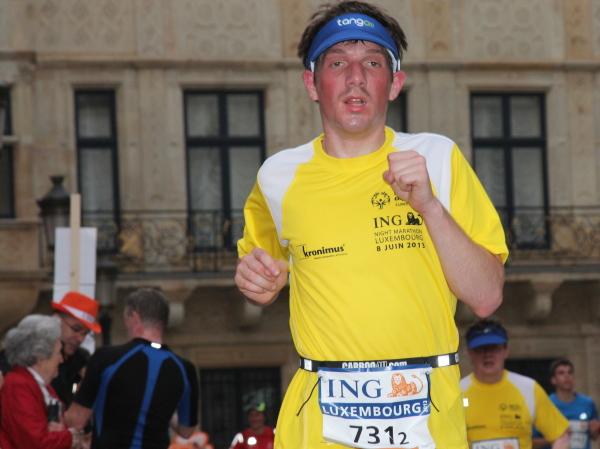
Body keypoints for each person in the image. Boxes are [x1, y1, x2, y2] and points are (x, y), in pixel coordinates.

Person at [234, 1, 508, 447]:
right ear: (311, 84)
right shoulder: (277, 176)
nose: (355, 77)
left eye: (373, 63)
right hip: (317, 422)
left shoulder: (437, 158)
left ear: (394, 83)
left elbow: (486, 297)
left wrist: (430, 208)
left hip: (426, 420)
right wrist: (257, 282)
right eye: (338, 63)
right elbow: (261, 274)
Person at [64, 288, 199, 449]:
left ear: (134, 317)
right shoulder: (185, 369)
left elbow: (76, 420)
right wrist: (160, 409)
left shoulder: (107, 358)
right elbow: (186, 431)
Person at [461, 317, 570, 449]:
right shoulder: (458, 392)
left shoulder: (528, 388)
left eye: (494, 348)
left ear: (506, 351)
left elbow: (561, 435)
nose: (488, 354)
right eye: (481, 348)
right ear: (469, 352)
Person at [0, 290, 102, 408]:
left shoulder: (79, 359)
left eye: (85, 334)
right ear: (56, 319)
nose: (80, 339)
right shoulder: (21, 353)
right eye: (76, 329)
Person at [0, 314, 84, 449]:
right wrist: (71, 437)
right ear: (40, 357)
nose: (61, 359)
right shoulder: (17, 385)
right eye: (58, 353)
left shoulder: (42, 386)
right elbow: (35, 442)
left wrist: (62, 432)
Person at [532, 359, 600, 449]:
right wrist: (554, 439)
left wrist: (595, 430)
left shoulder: (587, 403)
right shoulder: (545, 404)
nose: (566, 376)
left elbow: (595, 436)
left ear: (574, 378)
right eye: (561, 373)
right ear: (553, 380)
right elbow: (531, 441)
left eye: (570, 372)